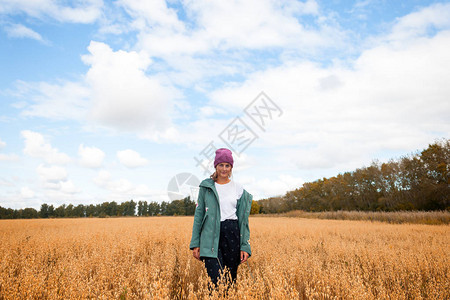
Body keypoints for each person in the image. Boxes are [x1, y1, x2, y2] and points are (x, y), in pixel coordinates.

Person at [190, 148, 252, 286]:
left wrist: (245, 246)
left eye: (227, 165)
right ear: (215, 166)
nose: (224, 169)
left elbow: (243, 222)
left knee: (229, 282)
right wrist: (195, 243)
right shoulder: (206, 187)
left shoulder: (238, 188)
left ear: (231, 167)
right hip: (210, 235)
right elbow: (199, 215)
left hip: (232, 235)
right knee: (215, 282)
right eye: (221, 165)